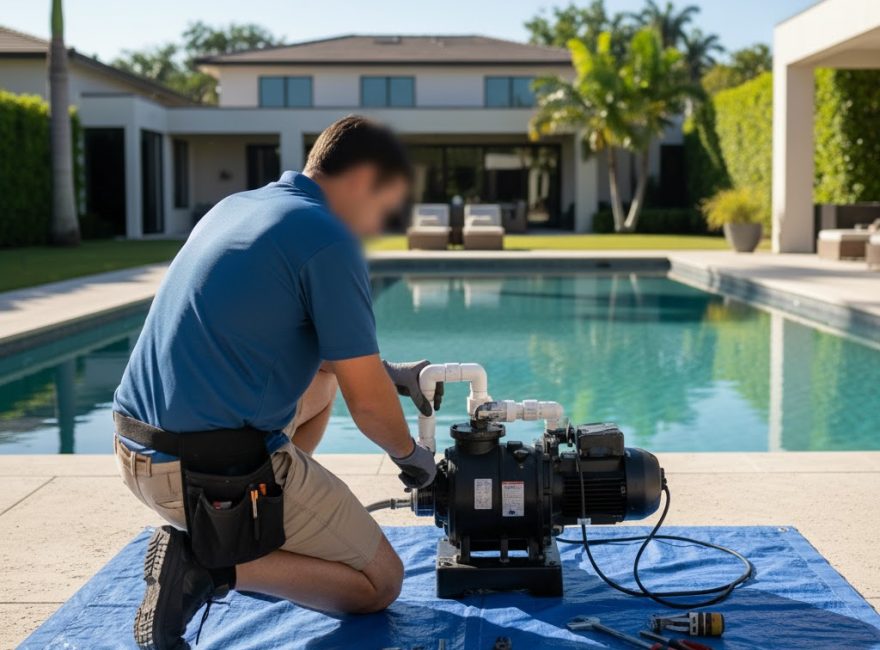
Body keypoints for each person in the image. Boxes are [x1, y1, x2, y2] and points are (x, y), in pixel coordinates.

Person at [112, 116, 440, 649]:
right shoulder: (329, 240)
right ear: (362, 179)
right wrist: (413, 459)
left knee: (322, 389)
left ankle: (255, 524)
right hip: (204, 471)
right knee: (383, 583)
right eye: (385, 206)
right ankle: (210, 564)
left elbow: (332, 363)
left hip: (138, 447)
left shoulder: (239, 206)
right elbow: (371, 408)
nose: (380, 223)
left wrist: (393, 374)